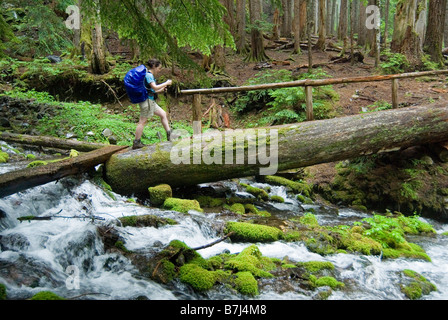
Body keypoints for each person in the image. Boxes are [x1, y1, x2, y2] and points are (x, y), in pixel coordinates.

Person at [133, 59, 173, 149]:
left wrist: (161, 90)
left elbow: (152, 90)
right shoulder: (149, 75)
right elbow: (154, 87)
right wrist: (166, 83)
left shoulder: (148, 75)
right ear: (154, 66)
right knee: (142, 121)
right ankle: (136, 142)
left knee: (163, 114)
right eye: (159, 68)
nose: (159, 70)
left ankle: (169, 134)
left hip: (150, 101)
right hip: (147, 102)